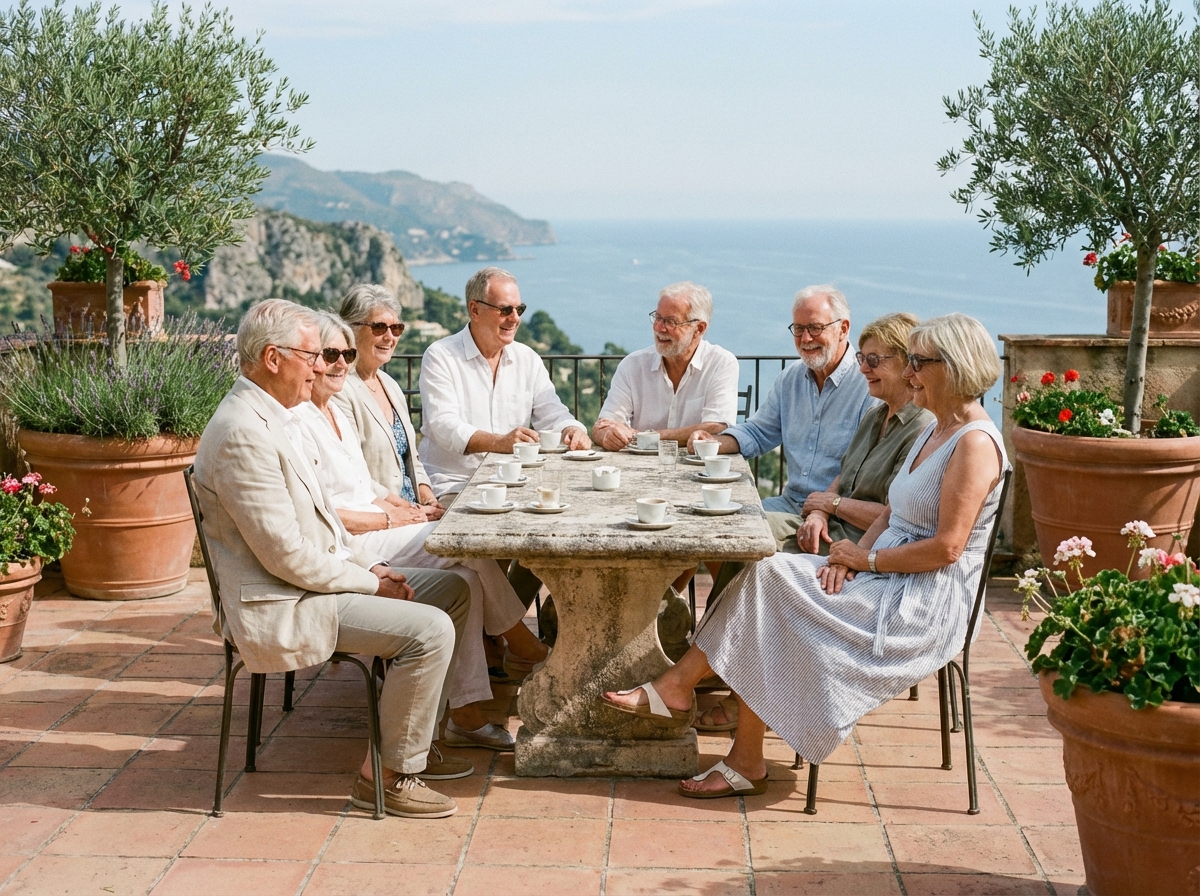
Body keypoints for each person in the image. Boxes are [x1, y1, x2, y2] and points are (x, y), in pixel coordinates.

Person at [606, 313, 1008, 800]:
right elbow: (894, 514)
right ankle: (726, 739)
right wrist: (852, 552)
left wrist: (867, 562)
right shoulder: (935, 430)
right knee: (767, 578)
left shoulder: (974, 444)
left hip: (919, 602)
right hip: (879, 572)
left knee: (771, 587)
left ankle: (686, 697)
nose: (911, 373)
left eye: (919, 363)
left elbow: (948, 548)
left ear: (954, 366)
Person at [192, 299, 471, 819]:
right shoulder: (243, 434)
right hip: (284, 602)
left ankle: (408, 739)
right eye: (313, 354)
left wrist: (368, 569)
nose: (322, 365)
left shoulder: (276, 418)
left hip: (312, 582)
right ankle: (388, 776)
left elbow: (316, 528)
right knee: (429, 630)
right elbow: (287, 557)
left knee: (455, 590)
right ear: (274, 358)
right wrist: (369, 583)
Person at [299, 311, 547, 751]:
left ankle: (465, 713)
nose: (339, 364)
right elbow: (324, 514)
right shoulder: (300, 424)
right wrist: (395, 518)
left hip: (380, 524)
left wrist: (407, 504)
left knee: (466, 580)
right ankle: (522, 644)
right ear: (309, 361)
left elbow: (364, 485)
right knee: (467, 547)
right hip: (355, 546)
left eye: (346, 355)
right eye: (329, 355)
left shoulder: (332, 412)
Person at [697, 312, 934, 733]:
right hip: (820, 519)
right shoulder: (875, 414)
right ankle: (721, 661)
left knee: (753, 556)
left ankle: (721, 675)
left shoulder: (920, 428)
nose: (865, 367)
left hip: (861, 546)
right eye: (864, 358)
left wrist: (830, 506)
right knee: (730, 534)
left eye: (875, 360)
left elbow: (893, 513)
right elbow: (839, 476)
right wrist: (821, 508)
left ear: (906, 364)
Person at [690, 285, 878, 551]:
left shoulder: (867, 385)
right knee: (711, 521)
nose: (805, 338)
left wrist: (822, 510)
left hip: (836, 517)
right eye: (799, 329)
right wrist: (713, 442)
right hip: (789, 503)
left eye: (815, 328)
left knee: (737, 534)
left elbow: (860, 468)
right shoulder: (790, 379)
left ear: (843, 328)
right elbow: (758, 432)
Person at [417, 266, 591, 501]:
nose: (516, 318)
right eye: (505, 310)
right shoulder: (440, 355)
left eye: (519, 309)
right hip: (453, 485)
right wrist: (499, 442)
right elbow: (443, 426)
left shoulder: (527, 358)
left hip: (513, 483)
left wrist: (572, 429)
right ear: (475, 310)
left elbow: (552, 413)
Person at [592, 281, 739, 451]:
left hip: (696, 470)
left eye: (671, 322)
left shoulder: (721, 363)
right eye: (658, 318)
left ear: (699, 328)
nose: (658, 328)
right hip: (638, 468)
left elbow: (717, 428)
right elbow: (602, 426)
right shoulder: (632, 365)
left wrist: (643, 437)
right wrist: (608, 435)